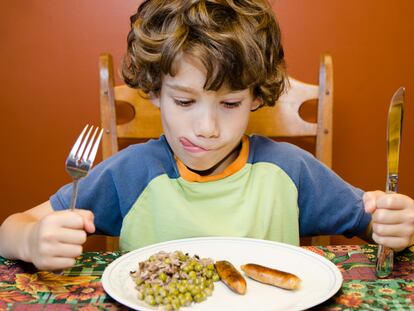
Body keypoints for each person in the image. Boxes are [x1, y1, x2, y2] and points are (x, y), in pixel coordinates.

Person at [0, 0, 413, 271]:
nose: (207, 128)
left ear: (255, 96)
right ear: (156, 91)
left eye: (229, 104)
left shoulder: (291, 170)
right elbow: (11, 230)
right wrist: (32, 239)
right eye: (184, 102)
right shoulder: (130, 174)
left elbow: (377, 223)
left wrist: (398, 226)